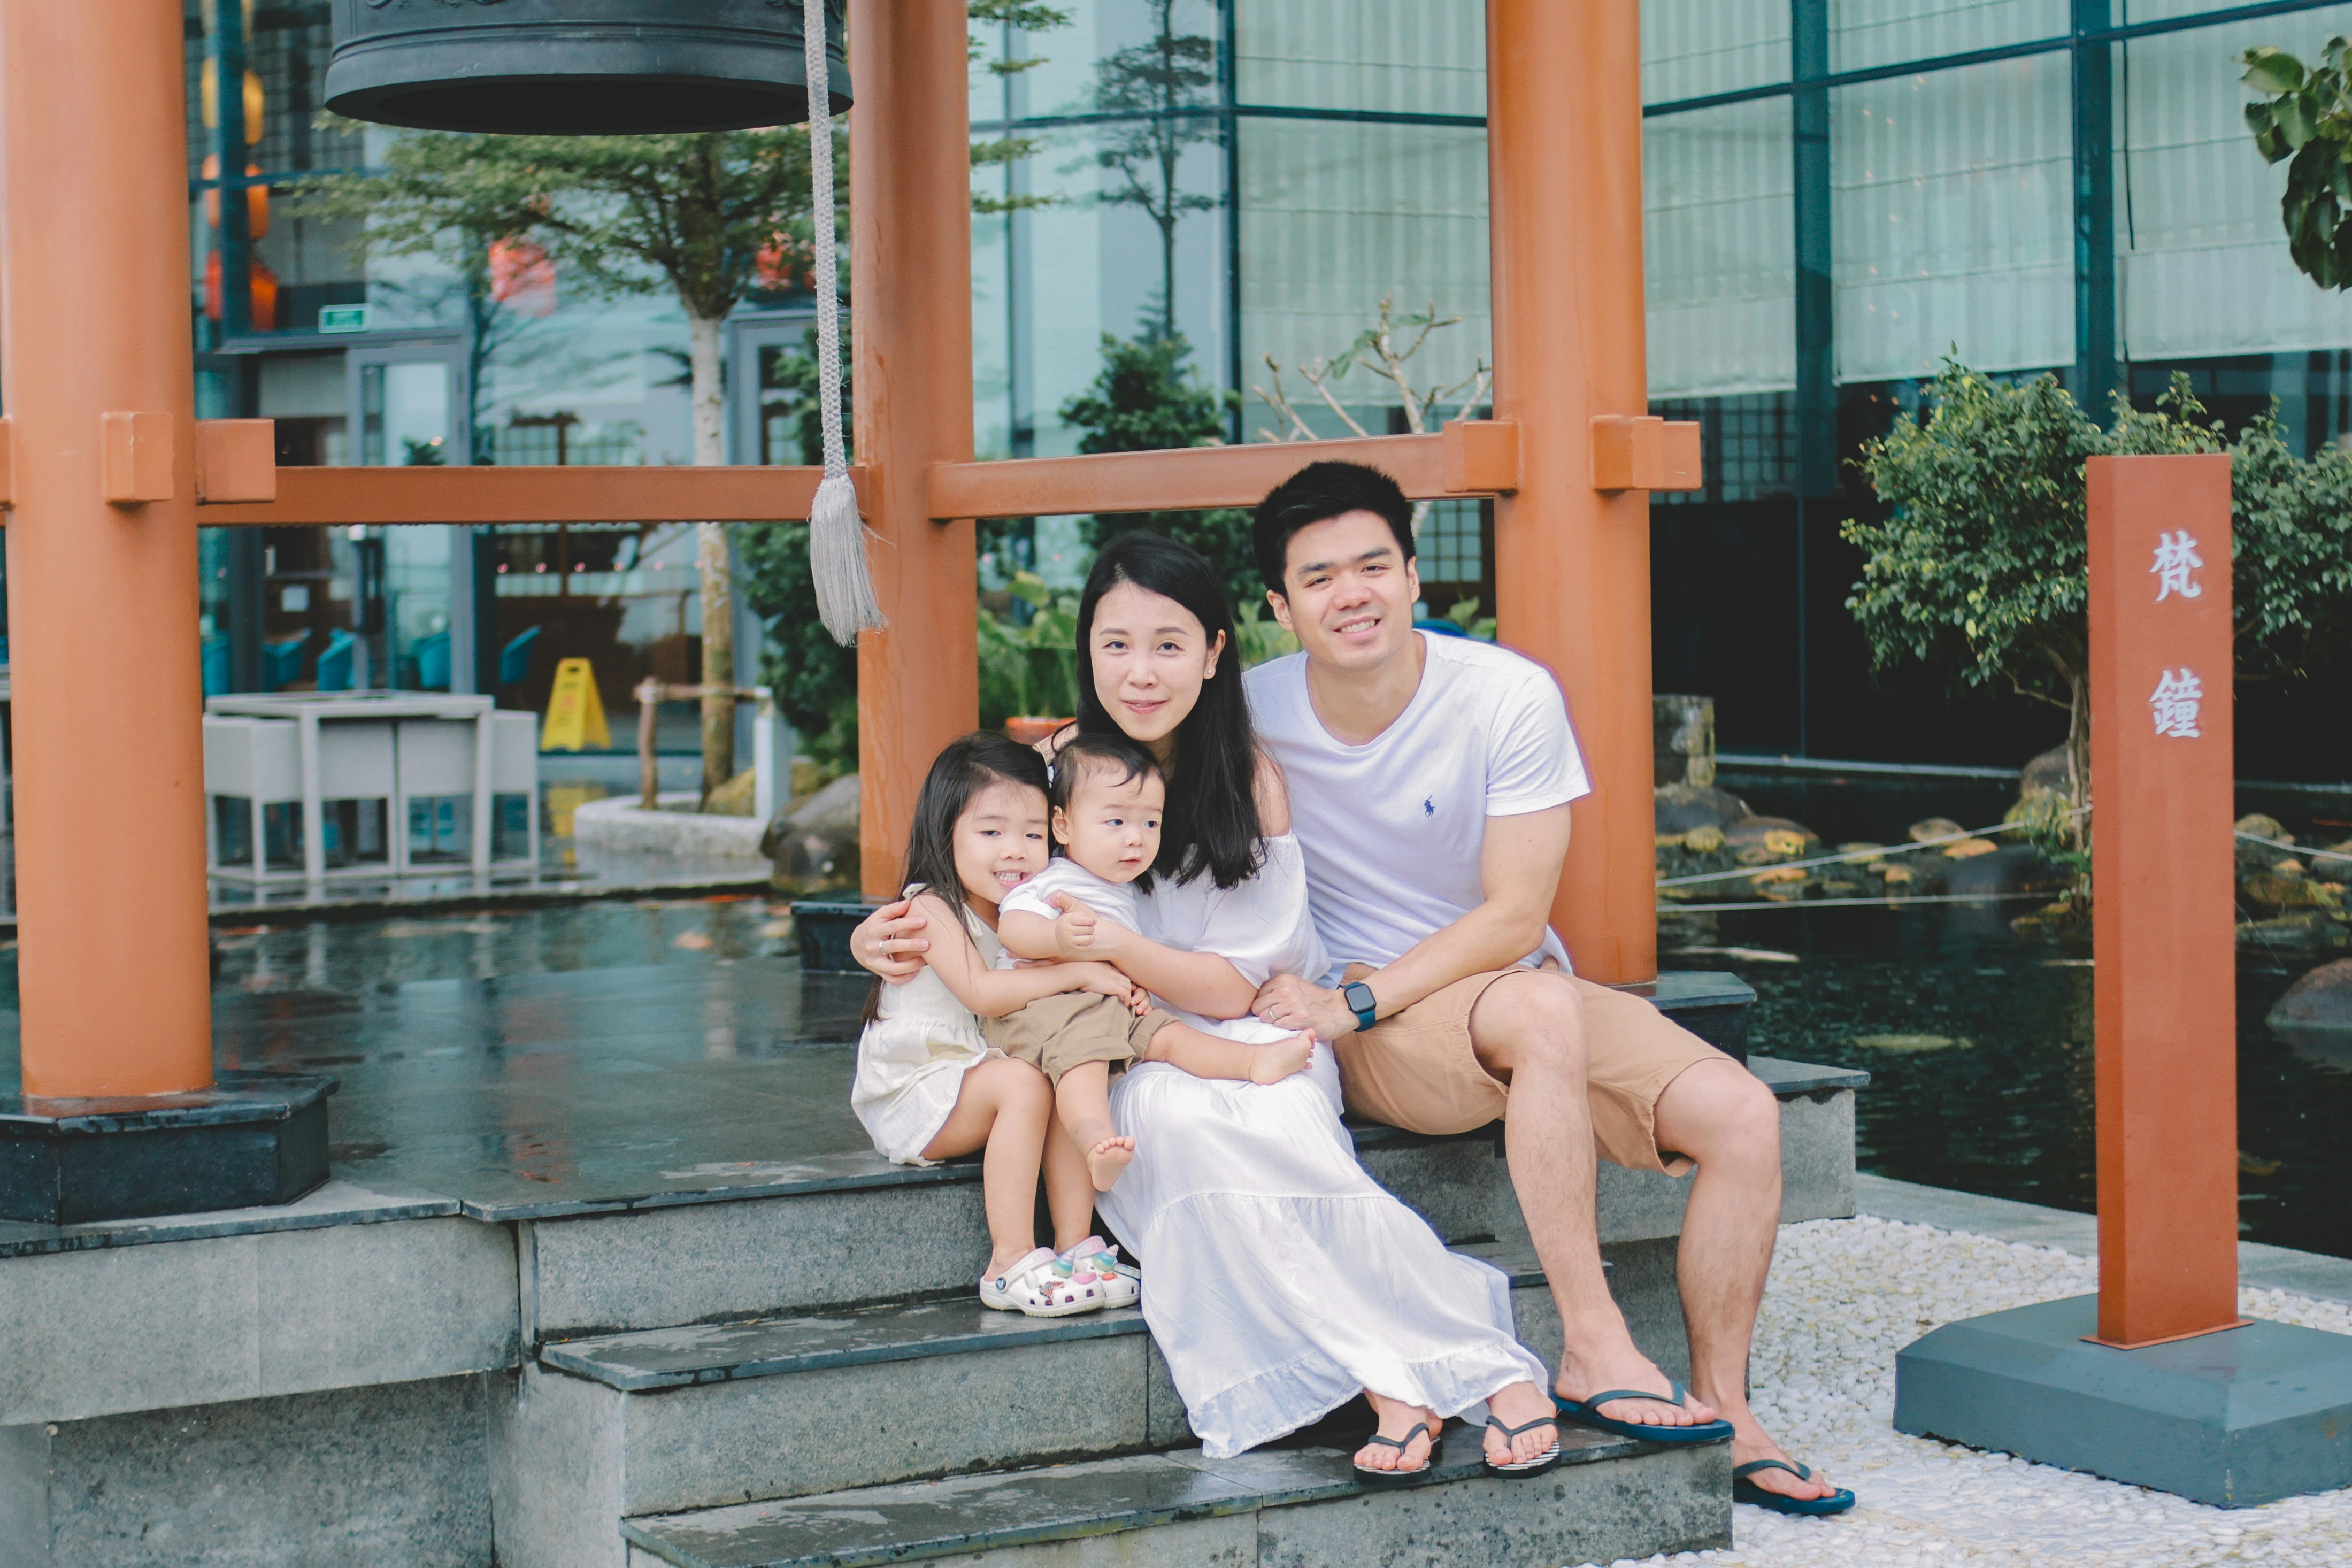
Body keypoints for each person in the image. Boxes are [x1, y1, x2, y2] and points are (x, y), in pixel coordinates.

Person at [852, 532, 1566, 1481]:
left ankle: (1462, 1362)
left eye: (1168, 643)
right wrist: (883, 931)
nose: (1139, 671)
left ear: (1215, 652)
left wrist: (1114, 949)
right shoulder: (1060, 764)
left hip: (1258, 1022)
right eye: (1116, 644)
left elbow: (1237, 983)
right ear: (1087, 651)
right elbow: (981, 872)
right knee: (1176, 1124)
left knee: (1268, 1116)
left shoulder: (1250, 780)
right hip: (1128, 1045)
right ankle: (1396, 1376)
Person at [1243, 459, 1854, 1516]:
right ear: (1279, 603)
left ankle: (1729, 1409)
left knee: (1745, 1115)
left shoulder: (1505, 693)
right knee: (1536, 1007)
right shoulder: (1245, 711)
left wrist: (1366, 995)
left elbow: (1517, 915)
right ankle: (1591, 1337)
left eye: (1374, 565)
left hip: (1501, 990)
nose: (1353, 593)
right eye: (1321, 575)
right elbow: (1115, 789)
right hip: (1380, 1026)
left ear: (1414, 575)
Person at [847, 731, 1141, 1318]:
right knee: (1024, 1081)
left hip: (979, 1075)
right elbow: (983, 992)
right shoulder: (931, 904)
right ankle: (1008, 1262)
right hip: (917, 1089)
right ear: (944, 830)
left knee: (1057, 1074)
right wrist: (1079, 972)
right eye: (991, 832)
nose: (1015, 850)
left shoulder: (1026, 908)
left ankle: (1074, 1249)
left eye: (1032, 833)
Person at [994, 730, 1315, 1192]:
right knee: (1083, 1066)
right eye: (1116, 823)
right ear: (1062, 827)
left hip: (1106, 1007)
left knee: (1171, 1037)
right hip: (1054, 1010)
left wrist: (1131, 984)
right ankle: (1095, 1141)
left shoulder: (1119, 890)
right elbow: (1013, 927)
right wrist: (1056, 935)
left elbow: (1120, 954)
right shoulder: (1055, 878)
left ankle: (1252, 1063)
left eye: (1150, 824)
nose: (1136, 840)